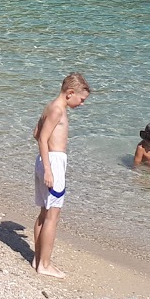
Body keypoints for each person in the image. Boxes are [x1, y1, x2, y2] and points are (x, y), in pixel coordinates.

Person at [32, 72, 91, 280]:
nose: (82, 104)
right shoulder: (58, 110)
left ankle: (38, 258)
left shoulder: (50, 107)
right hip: (53, 162)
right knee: (52, 216)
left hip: (45, 161)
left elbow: (36, 133)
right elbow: (42, 139)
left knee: (44, 212)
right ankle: (45, 264)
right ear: (70, 93)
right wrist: (49, 169)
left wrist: (44, 164)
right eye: (81, 100)